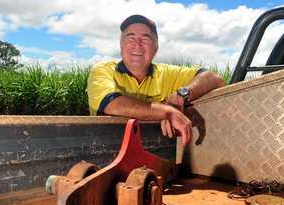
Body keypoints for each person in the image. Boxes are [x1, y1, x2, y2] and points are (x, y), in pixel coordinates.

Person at [88, 14, 225, 145]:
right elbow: (112, 104)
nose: (137, 45)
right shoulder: (102, 70)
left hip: (159, 152)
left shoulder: (166, 73)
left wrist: (181, 95)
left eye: (145, 39)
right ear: (121, 45)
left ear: (156, 48)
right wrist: (167, 112)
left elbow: (214, 78)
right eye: (130, 38)